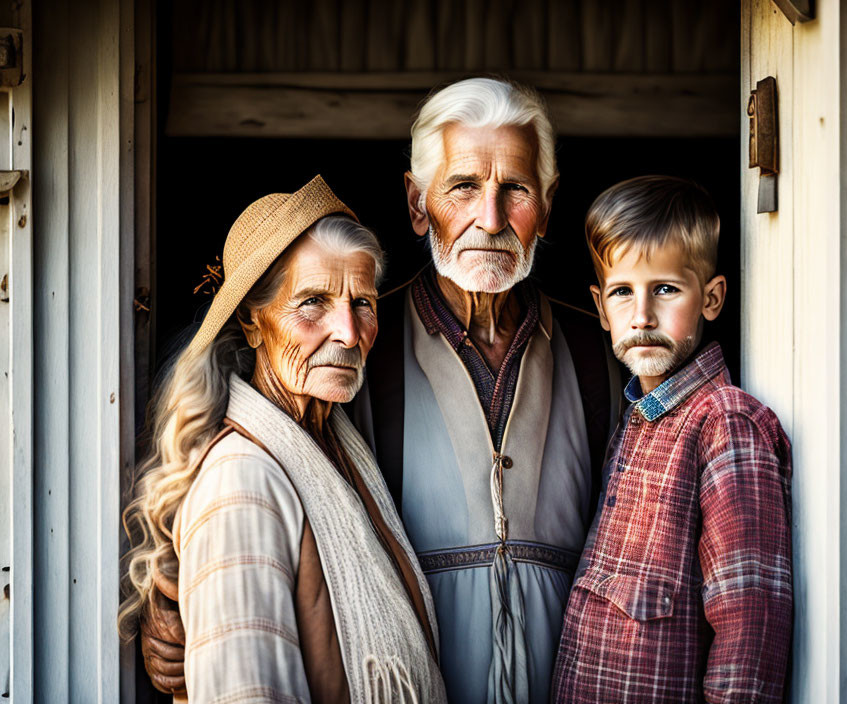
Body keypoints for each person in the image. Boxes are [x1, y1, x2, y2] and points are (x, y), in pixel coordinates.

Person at [141, 78, 619, 704]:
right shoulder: (355, 350)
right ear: (418, 204)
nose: (491, 218)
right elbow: (239, 475)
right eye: (464, 187)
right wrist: (181, 597)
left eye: (517, 190)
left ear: (548, 206)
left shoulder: (604, 354)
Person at [120, 175, 447, 704]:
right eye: (313, 301)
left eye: (363, 302)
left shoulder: (337, 442)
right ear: (254, 323)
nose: (347, 330)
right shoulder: (240, 482)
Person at [551, 176, 793, 703]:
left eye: (665, 289)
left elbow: (748, 624)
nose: (641, 316)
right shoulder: (633, 421)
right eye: (622, 292)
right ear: (599, 307)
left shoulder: (724, 423)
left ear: (711, 298)